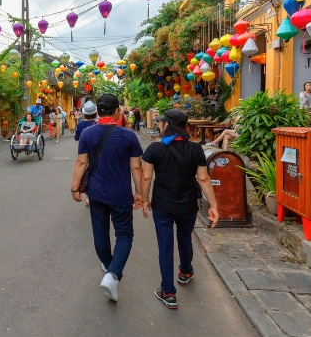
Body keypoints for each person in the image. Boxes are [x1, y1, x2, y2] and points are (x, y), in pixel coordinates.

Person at [141, 109, 219, 309]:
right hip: (187, 204)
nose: (158, 124)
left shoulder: (154, 149)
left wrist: (144, 199)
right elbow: (203, 178)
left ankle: (168, 292)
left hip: (162, 205)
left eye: (161, 122)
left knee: (165, 245)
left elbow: (146, 177)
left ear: (167, 125)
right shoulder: (195, 149)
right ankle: (185, 272)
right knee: (184, 238)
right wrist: (213, 205)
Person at [71, 94, 143, 303]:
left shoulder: (88, 133)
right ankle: (112, 274)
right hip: (121, 194)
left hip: (96, 193)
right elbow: (136, 166)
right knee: (125, 235)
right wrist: (140, 193)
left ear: (98, 112)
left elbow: (80, 163)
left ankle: (109, 267)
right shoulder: (128, 136)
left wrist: (75, 189)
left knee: (100, 232)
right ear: (117, 111)